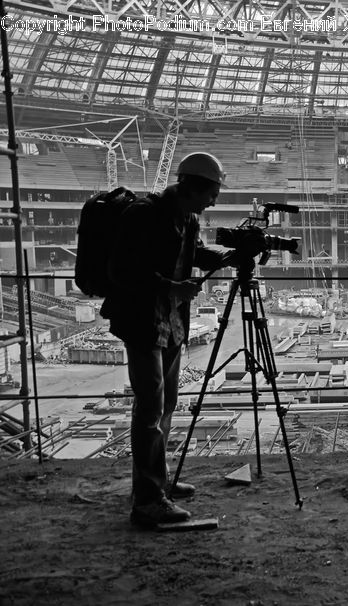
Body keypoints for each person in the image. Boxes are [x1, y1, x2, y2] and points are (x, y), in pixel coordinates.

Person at [101, 152, 237, 527]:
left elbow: (193, 256)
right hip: (142, 321)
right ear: (192, 187)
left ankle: (155, 483)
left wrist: (229, 256)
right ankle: (147, 500)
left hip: (171, 322)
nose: (214, 202)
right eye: (212, 194)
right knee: (150, 407)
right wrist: (171, 287)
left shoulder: (188, 218)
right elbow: (121, 271)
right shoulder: (143, 215)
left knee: (166, 404)